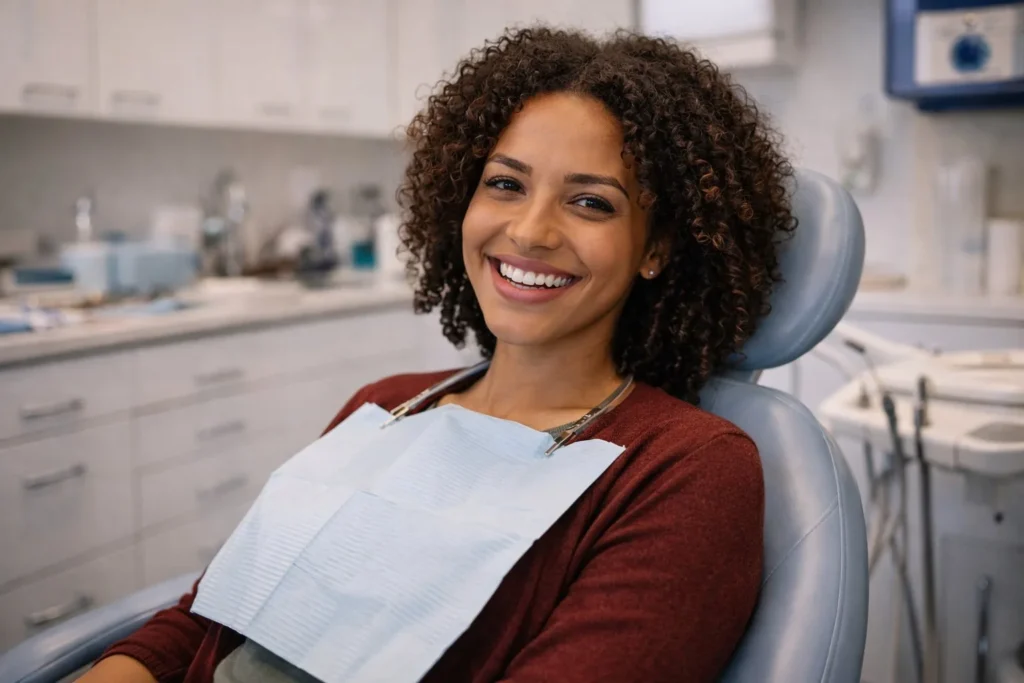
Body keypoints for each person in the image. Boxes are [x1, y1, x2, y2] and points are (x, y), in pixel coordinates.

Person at [82, 27, 796, 683]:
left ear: (658, 247)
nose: (530, 230)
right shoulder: (386, 404)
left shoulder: (686, 467)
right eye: (506, 184)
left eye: (591, 203)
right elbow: (209, 616)